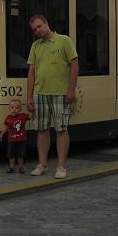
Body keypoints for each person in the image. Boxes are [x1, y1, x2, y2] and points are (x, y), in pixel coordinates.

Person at [26, 14, 78, 180]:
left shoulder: (64, 41)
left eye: (39, 26)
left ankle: (61, 166)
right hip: (40, 94)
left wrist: (71, 90)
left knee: (61, 129)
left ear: (47, 23)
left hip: (60, 93)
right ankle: (42, 164)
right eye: (34, 29)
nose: (38, 31)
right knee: (41, 130)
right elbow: (31, 73)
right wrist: (29, 97)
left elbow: (74, 65)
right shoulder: (35, 46)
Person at [0, 98, 30, 174]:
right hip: (11, 140)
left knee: (20, 155)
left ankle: (21, 167)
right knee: (11, 154)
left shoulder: (22, 116)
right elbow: (6, 127)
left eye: (16, 108)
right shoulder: (8, 118)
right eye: (12, 108)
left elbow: (30, 116)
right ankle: (11, 167)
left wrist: (32, 109)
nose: (14, 109)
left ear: (20, 109)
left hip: (21, 139)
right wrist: (1, 134)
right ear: (9, 108)